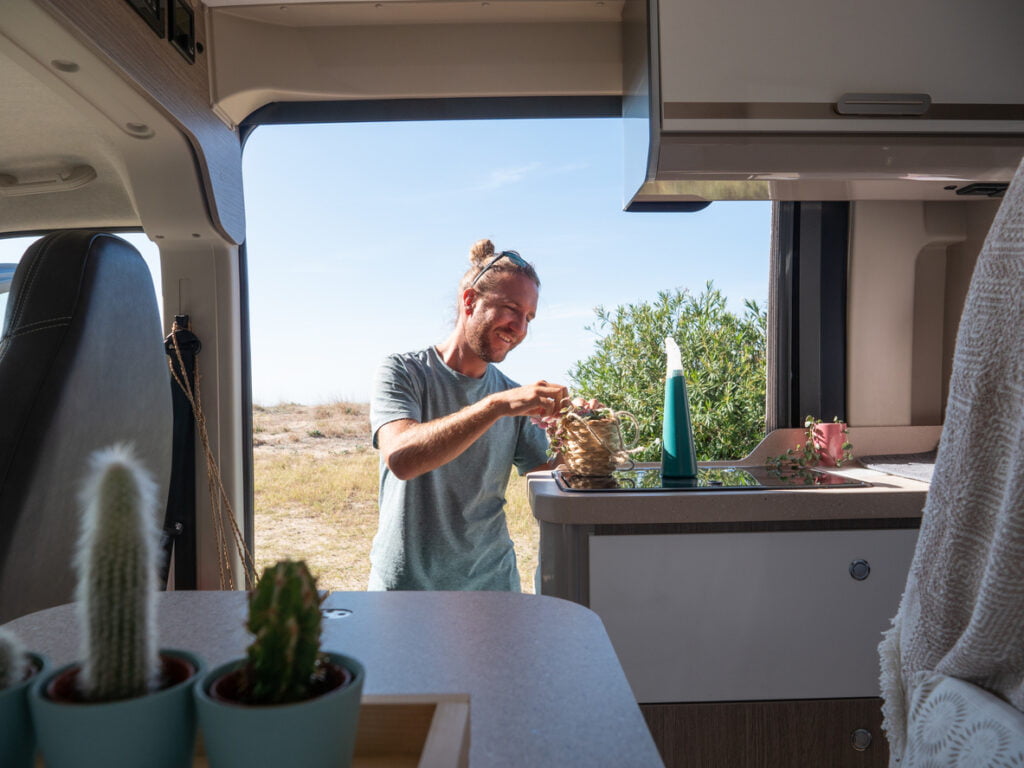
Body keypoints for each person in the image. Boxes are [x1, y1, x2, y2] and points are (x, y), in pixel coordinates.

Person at [369, 239, 568, 591]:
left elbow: (549, 477)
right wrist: (496, 406)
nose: (520, 328)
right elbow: (401, 457)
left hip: (493, 590)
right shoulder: (403, 372)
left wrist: (580, 434)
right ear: (470, 301)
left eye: (529, 317)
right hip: (406, 594)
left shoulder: (511, 395)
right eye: (510, 308)